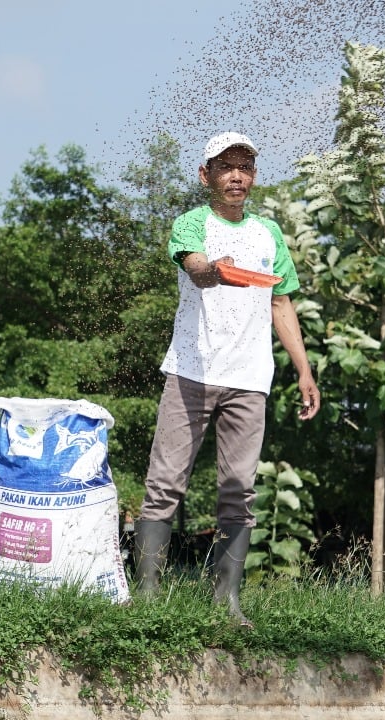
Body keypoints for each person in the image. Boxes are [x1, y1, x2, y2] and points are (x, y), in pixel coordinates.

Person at [134, 131, 321, 627]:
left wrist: (304, 370)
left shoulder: (268, 234)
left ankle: (228, 603)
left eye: (245, 167)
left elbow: (281, 302)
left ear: (253, 177)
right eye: (225, 167)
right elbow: (194, 266)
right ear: (207, 176)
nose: (236, 176)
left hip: (249, 378)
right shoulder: (192, 223)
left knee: (238, 490)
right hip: (190, 373)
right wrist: (214, 270)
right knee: (165, 484)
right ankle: (148, 598)